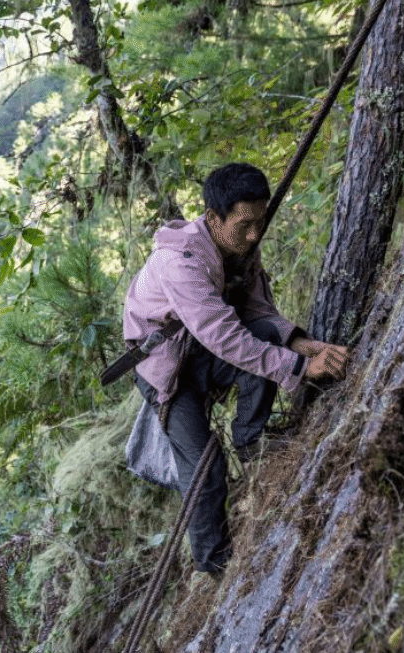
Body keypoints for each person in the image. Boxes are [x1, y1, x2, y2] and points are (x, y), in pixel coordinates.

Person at [122, 162, 349, 574]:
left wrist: (295, 340)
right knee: (205, 465)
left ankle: (251, 440)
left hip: (198, 350)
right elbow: (226, 338)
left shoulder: (238, 245)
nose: (255, 234)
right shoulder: (182, 263)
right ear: (213, 218)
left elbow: (257, 311)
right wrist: (299, 366)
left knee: (265, 335)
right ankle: (215, 562)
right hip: (166, 370)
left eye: (259, 222)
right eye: (245, 224)